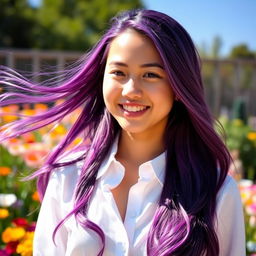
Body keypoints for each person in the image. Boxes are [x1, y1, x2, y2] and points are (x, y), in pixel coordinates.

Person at [0, 9, 245, 256]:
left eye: (151, 74)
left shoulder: (217, 191)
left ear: (179, 87)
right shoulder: (67, 176)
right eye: (119, 72)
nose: (130, 90)